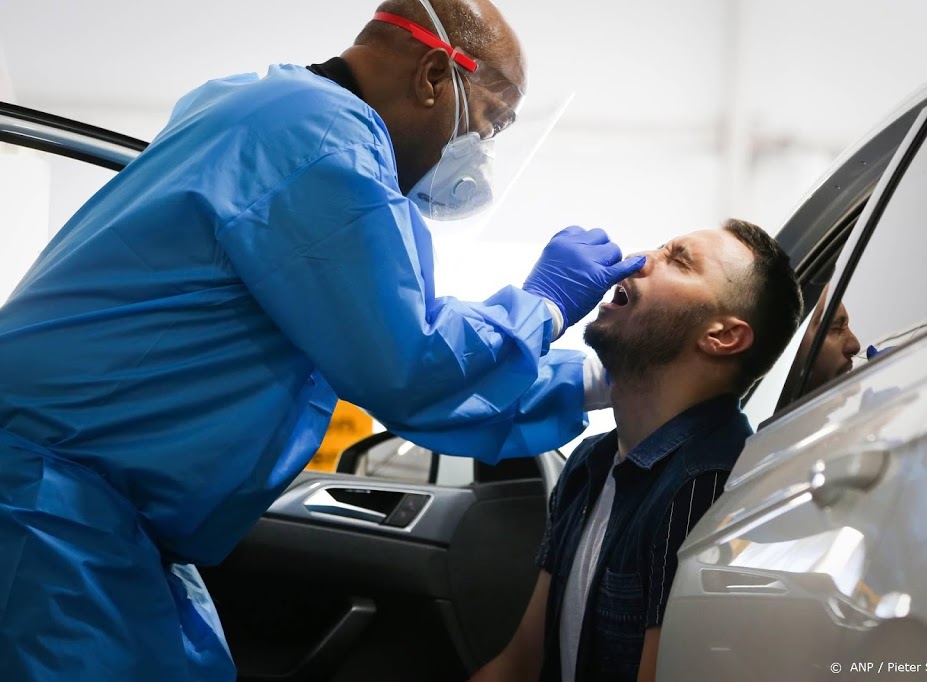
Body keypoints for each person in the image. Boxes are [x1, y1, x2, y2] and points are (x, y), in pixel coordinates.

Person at [0, 1, 643, 679]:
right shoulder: (324, 144)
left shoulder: (265, 109)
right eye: (491, 121)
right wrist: (544, 303)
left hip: (87, 510)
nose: (482, 151)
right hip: (51, 510)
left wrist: (601, 377)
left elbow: (390, 330)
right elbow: (411, 362)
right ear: (433, 76)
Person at [470, 219, 803, 682]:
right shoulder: (592, 462)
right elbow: (520, 664)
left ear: (723, 336)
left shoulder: (708, 487)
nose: (641, 259)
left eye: (678, 261)